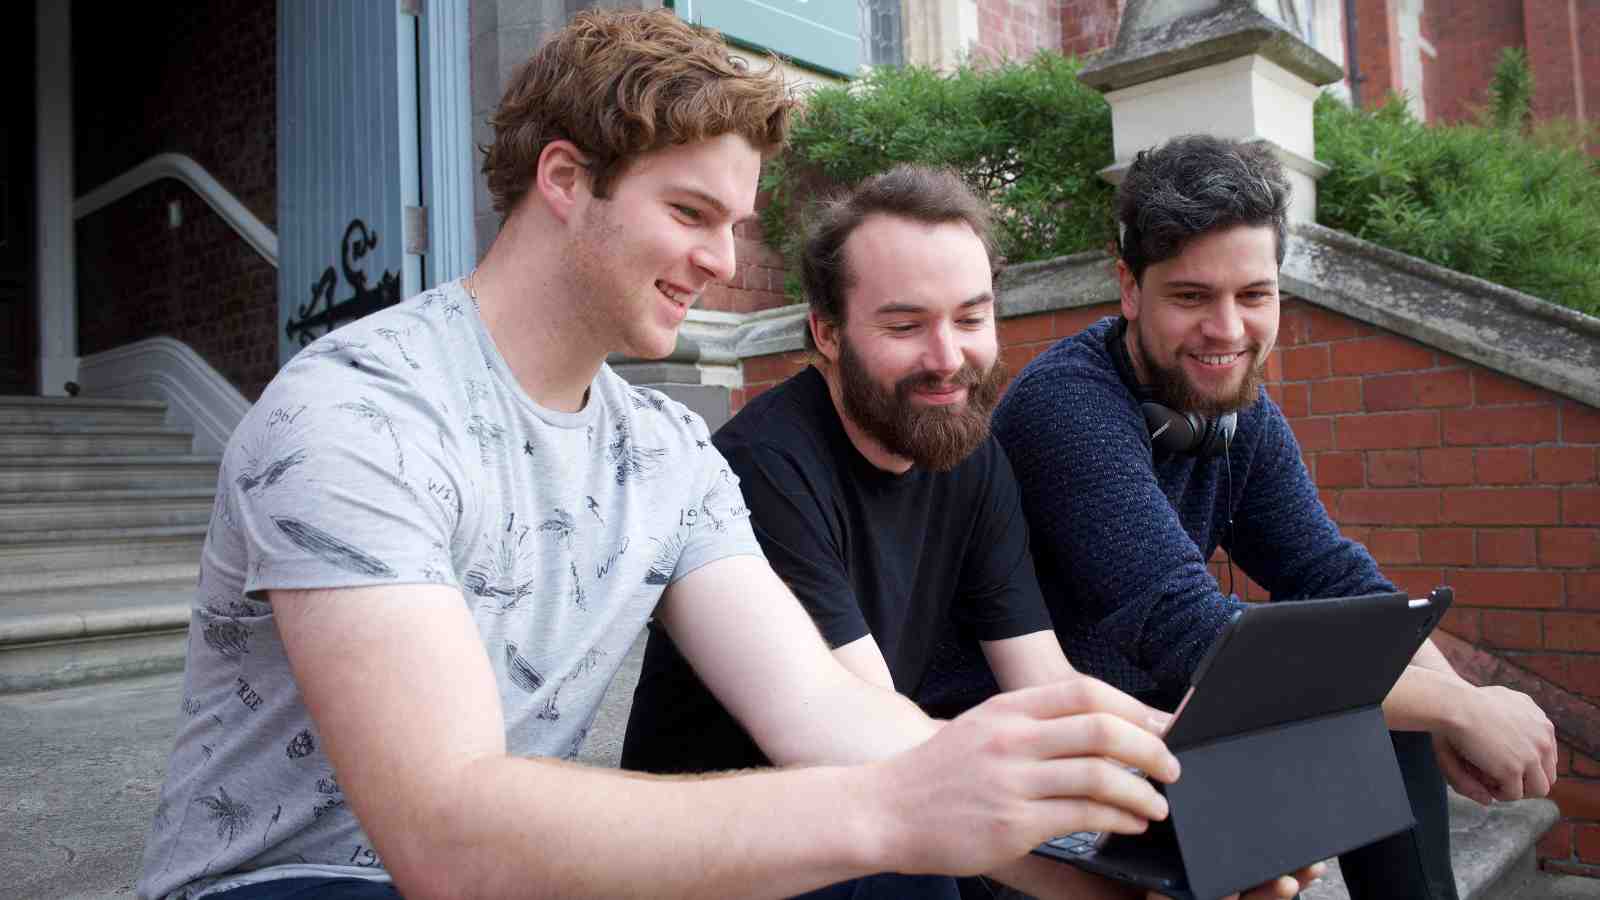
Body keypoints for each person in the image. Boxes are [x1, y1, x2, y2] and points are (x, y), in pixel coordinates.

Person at [137, 12, 1193, 900]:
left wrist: (1120, 869)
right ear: (564, 179)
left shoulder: (667, 452)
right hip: (286, 881)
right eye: (689, 212)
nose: (724, 261)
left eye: (732, 223)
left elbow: (822, 710)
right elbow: (445, 833)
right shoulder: (358, 415)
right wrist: (888, 811)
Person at [623, 165, 1319, 900]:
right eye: (905, 325)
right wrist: (1091, 875)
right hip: (741, 843)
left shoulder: (968, 453)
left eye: (969, 317)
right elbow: (864, 727)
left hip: (877, 798)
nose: (948, 358)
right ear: (826, 333)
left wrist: (1176, 758)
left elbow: (1045, 682)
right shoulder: (765, 466)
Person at [978, 134, 1558, 900]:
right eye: (1191, 297)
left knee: (1392, 704)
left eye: (1254, 295)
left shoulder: (1237, 414)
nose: (1228, 331)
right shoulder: (1067, 407)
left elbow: (1331, 574)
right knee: (1384, 703)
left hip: (1166, 740)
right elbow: (1194, 632)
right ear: (1129, 289)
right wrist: (1458, 705)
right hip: (1058, 763)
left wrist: (1458, 701)